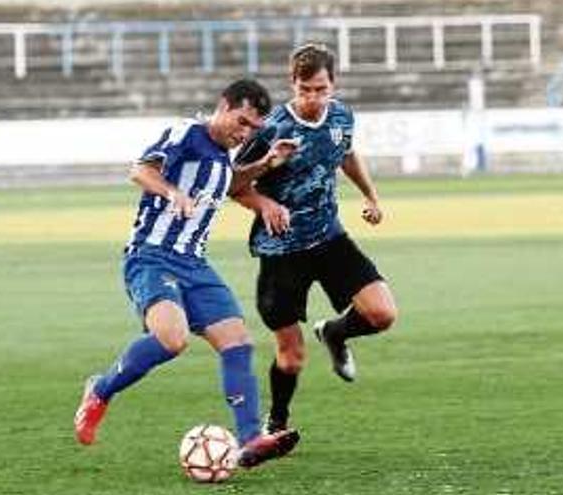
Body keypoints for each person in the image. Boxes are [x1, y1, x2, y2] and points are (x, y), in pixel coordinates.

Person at [73, 79, 300, 468]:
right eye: (241, 121)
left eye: (252, 129)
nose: (243, 133)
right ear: (223, 105)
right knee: (172, 339)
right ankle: (100, 389)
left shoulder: (226, 153)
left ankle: (250, 440)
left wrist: (266, 163)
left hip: (195, 263)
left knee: (237, 341)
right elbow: (141, 171)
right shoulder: (187, 133)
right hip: (152, 256)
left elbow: (229, 184)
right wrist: (171, 192)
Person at [230, 43, 399, 438]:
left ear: (333, 85)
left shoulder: (341, 117)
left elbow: (345, 154)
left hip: (329, 238)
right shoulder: (271, 128)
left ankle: (336, 332)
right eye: (305, 89)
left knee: (382, 314)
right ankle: (278, 422)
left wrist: (370, 196)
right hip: (281, 250)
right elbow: (233, 184)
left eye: (320, 89)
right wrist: (264, 203)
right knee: (290, 358)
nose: (312, 98)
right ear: (293, 84)